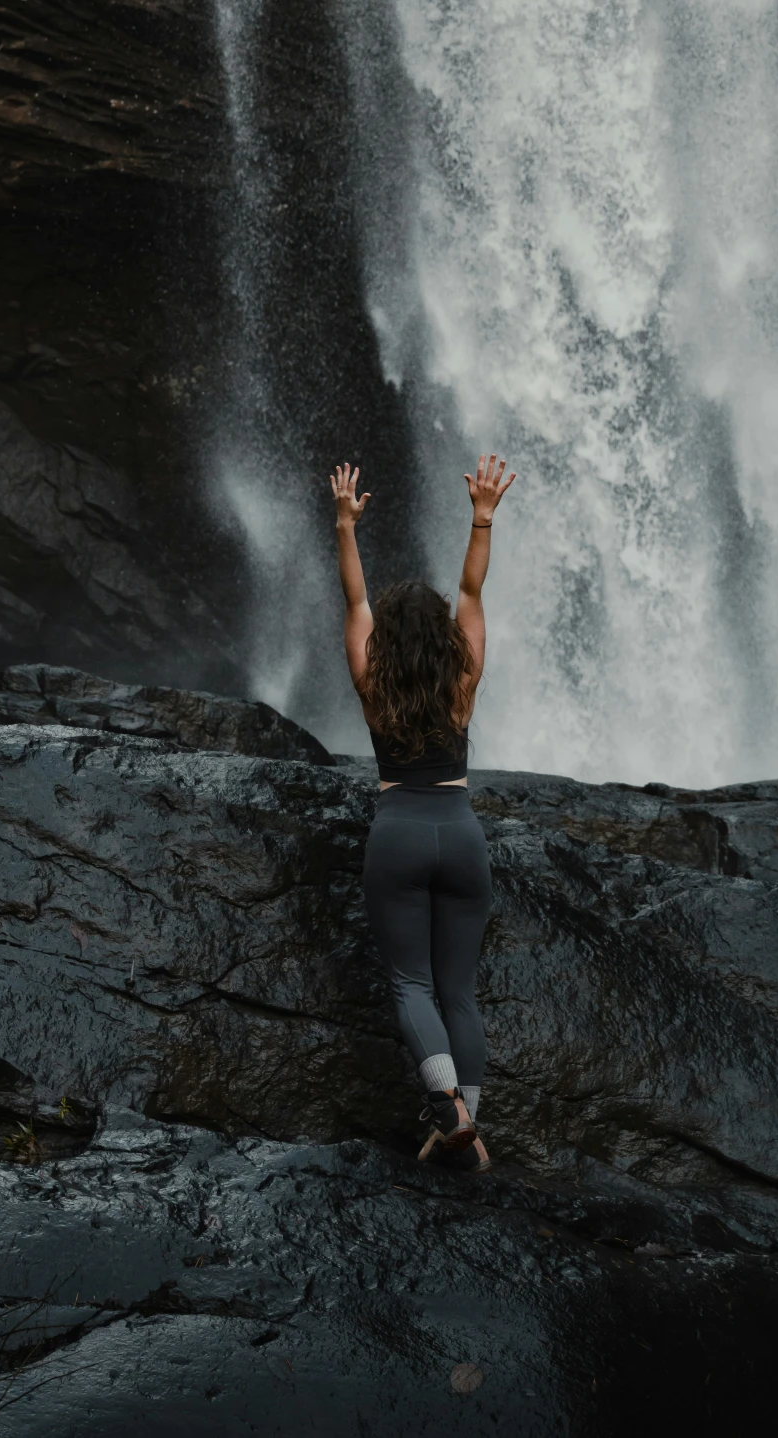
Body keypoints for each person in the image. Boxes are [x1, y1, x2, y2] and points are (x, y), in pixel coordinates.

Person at [330, 450, 516, 1168]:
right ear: (442, 640)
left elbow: (355, 604)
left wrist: (347, 527)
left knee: (410, 983)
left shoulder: (372, 680)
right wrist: (482, 516)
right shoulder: (462, 680)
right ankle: (467, 1124)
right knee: (458, 991)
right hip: (460, 832)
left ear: (385, 645)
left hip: (398, 831)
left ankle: (449, 1111)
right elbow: (471, 589)